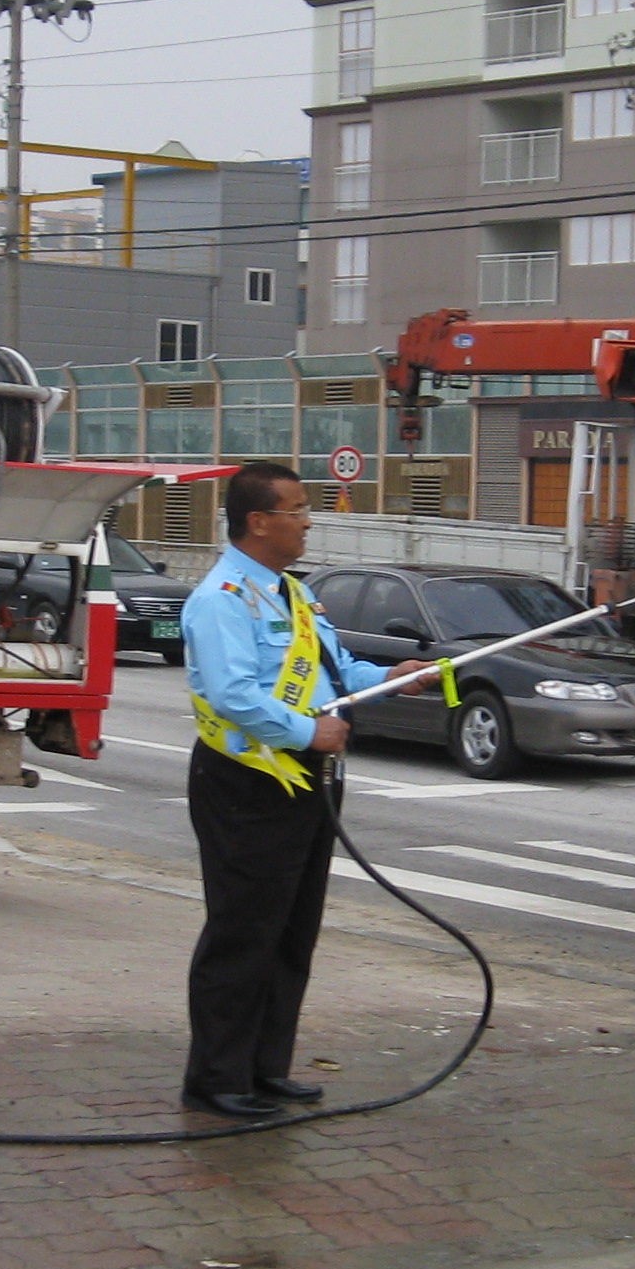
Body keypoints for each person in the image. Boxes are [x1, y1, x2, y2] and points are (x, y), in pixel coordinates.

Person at [177, 461, 431, 1119]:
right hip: (249, 783)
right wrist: (304, 731)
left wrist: (391, 675)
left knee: (292, 930)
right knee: (244, 930)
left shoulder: (293, 592)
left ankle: (266, 1067)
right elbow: (231, 693)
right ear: (259, 521)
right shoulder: (221, 598)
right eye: (296, 509)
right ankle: (215, 1076)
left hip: (306, 785)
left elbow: (333, 666)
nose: (307, 521)